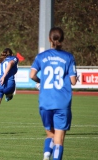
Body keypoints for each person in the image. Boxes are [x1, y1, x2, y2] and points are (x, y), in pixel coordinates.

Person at [30, 27, 77, 160]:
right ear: (63, 39)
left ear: (49, 39)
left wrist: (41, 81)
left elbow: (32, 75)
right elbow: (73, 81)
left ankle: (46, 156)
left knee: (50, 135)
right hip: (62, 102)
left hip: (45, 101)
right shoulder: (68, 57)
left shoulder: (41, 56)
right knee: (59, 139)